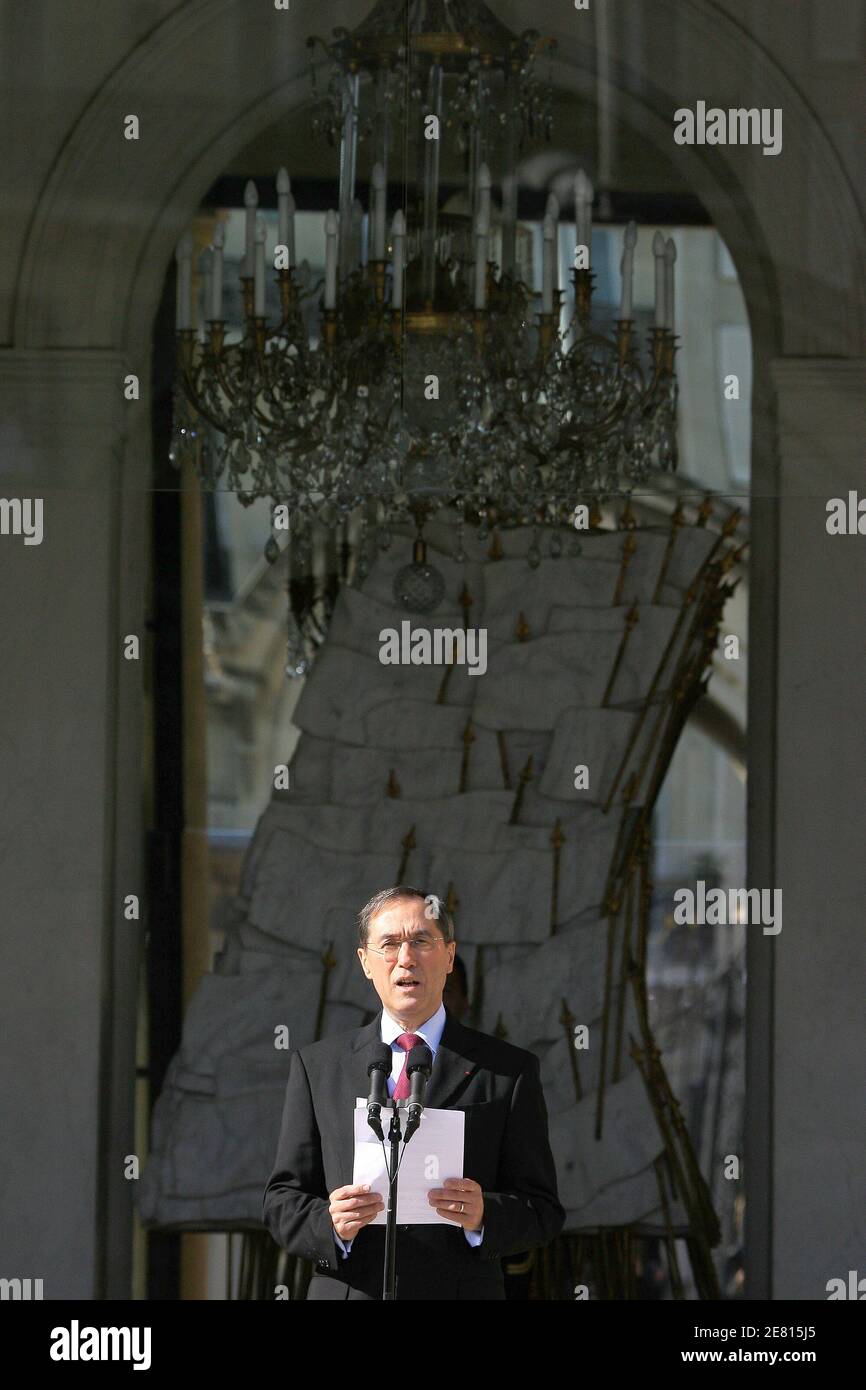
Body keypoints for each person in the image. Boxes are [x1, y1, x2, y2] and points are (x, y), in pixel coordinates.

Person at [262, 886, 565, 1300]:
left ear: (449, 955)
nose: (405, 958)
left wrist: (483, 1216)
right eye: (388, 944)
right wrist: (330, 1223)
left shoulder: (507, 1071)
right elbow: (282, 1201)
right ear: (365, 962)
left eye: (421, 941)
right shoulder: (318, 1067)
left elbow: (542, 1210)